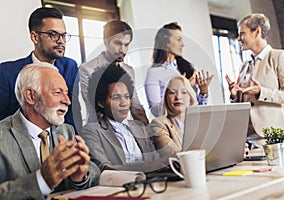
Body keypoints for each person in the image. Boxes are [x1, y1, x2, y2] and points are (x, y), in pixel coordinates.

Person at [0, 63, 99, 199]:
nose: (67, 101)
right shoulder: (2, 136)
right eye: (57, 92)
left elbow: (93, 169)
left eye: (66, 93)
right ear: (31, 96)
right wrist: (41, 181)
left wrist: (80, 177)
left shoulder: (66, 131)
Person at [0, 7, 82, 133]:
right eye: (53, 34)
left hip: (59, 140)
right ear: (35, 37)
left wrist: (75, 144)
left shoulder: (70, 67)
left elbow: (72, 113)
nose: (61, 41)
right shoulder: (6, 73)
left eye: (64, 35)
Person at [225, 13, 284, 148]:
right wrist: (234, 96)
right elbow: (245, 102)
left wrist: (261, 92)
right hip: (248, 141)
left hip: (274, 139)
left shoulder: (280, 56)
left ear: (257, 32)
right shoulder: (244, 65)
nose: (238, 38)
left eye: (242, 33)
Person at [81, 63, 162, 172]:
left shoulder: (139, 126)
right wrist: (145, 167)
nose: (124, 103)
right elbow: (104, 168)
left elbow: (156, 160)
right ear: (100, 102)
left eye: (127, 97)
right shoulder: (92, 131)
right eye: (116, 97)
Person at [79, 19, 148, 125]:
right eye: (118, 43)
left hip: (123, 129)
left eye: (126, 45)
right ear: (106, 41)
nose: (122, 50)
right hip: (98, 130)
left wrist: (148, 132)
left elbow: (135, 106)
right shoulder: (87, 69)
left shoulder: (128, 70)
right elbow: (94, 109)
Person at [144, 22, 211, 117]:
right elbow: (156, 111)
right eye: (178, 39)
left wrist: (204, 92)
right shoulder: (154, 73)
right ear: (166, 43)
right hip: (173, 128)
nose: (183, 44)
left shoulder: (188, 68)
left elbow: (198, 108)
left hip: (194, 124)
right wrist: (183, 88)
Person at [150, 75, 197, 158]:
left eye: (184, 92)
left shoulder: (197, 122)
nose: (178, 97)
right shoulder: (158, 124)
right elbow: (174, 155)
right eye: (172, 92)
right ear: (166, 98)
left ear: (190, 98)